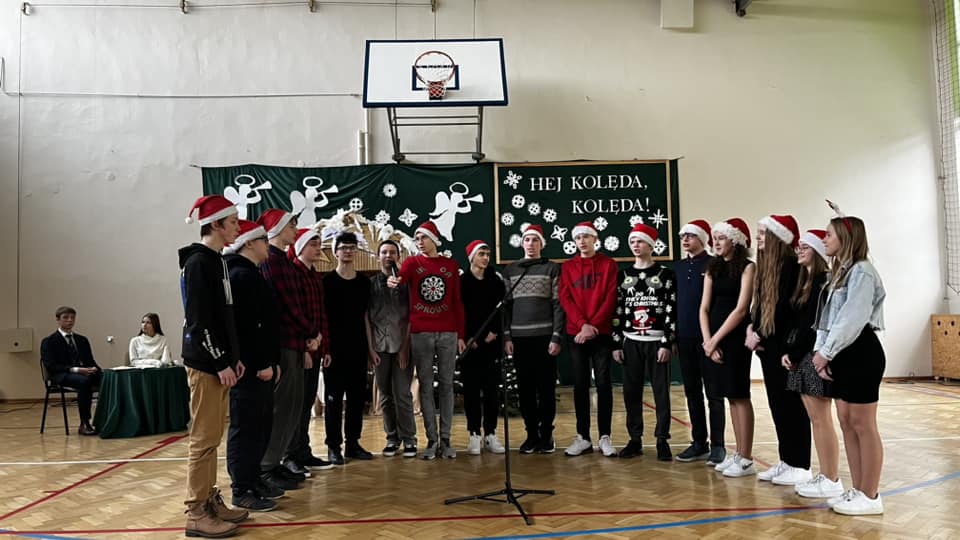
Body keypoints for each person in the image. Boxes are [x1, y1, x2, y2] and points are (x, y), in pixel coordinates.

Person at [179, 194, 248, 538]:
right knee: (203, 439)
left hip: (219, 361)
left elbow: (224, 316)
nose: (237, 228)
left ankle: (209, 499)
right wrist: (220, 360)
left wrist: (234, 357)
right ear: (216, 224)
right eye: (232, 222)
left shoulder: (217, 261)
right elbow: (199, 320)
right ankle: (196, 511)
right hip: (205, 363)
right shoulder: (198, 263)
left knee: (212, 437)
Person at [812, 215, 886, 516]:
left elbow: (852, 317)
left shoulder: (863, 271)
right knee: (845, 420)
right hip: (841, 352)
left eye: (829, 234)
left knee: (863, 423)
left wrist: (826, 352)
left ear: (846, 238)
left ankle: (871, 494)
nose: (824, 239)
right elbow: (828, 318)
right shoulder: (839, 273)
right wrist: (822, 352)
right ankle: (857, 489)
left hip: (861, 351)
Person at [387, 220, 466, 460]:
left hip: (448, 332)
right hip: (421, 332)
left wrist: (461, 334)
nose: (419, 242)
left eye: (424, 238)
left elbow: (457, 301)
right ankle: (432, 439)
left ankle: (446, 438)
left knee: (447, 385)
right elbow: (400, 278)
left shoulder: (450, 265)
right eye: (417, 238)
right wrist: (393, 280)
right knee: (426, 385)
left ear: (435, 240)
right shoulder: (412, 263)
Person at [745, 215, 813, 486]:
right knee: (778, 406)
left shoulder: (790, 267)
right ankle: (787, 459)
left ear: (777, 237)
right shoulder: (767, 268)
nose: (758, 237)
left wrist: (759, 334)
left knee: (792, 407)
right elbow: (761, 307)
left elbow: (784, 310)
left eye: (763, 233)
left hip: (785, 349)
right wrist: (752, 329)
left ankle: (801, 464)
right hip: (768, 348)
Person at [781, 229, 844, 499]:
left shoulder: (821, 281)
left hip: (812, 354)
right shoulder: (804, 281)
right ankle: (825, 475)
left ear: (817, 251)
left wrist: (796, 353)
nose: (799, 250)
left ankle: (831, 478)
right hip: (801, 355)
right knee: (815, 419)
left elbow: (813, 324)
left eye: (805, 247)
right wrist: (790, 351)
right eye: (799, 246)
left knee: (821, 419)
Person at [223, 220, 282, 512]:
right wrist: (260, 364)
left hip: (262, 366)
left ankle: (254, 478)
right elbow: (247, 328)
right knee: (245, 428)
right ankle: (241, 488)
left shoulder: (252, 274)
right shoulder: (240, 275)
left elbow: (266, 323)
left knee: (260, 426)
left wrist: (273, 362)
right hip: (250, 370)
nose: (268, 246)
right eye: (263, 241)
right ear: (248, 243)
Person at [256, 209, 313, 491]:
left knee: (293, 406)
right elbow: (288, 305)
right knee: (281, 407)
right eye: (291, 225)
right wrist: (311, 331)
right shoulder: (272, 262)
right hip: (283, 343)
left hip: (294, 342)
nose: (294, 229)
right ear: (277, 229)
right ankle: (267, 466)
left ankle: (276, 461)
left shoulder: (284, 261)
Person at [612, 224, 676, 461]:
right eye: (632, 241)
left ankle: (662, 439)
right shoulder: (623, 276)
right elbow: (617, 311)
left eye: (640, 241)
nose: (636, 245)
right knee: (631, 392)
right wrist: (617, 343)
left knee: (661, 393)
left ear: (651, 244)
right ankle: (635, 438)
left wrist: (666, 343)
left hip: (656, 341)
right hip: (631, 342)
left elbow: (671, 309)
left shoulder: (665, 275)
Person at [700, 218, 757, 478]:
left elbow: (741, 309)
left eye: (721, 238)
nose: (716, 242)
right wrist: (708, 342)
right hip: (713, 341)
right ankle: (738, 453)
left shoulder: (747, 267)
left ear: (735, 241)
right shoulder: (712, 267)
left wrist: (716, 340)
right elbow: (704, 308)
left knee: (740, 395)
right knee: (729, 397)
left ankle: (746, 458)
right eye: (714, 238)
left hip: (734, 339)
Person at [503, 224, 564, 454]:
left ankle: (546, 434)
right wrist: (507, 336)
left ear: (541, 244)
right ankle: (531, 435)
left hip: (545, 337)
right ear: (522, 243)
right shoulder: (511, 270)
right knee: (525, 389)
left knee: (546, 389)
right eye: (527, 239)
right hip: (520, 338)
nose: (530, 244)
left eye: (535, 240)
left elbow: (558, 305)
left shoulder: (552, 268)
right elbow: (506, 307)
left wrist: (556, 336)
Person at [560, 221, 619, 458]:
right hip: (577, 333)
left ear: (595, 239)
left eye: (586, 237)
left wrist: (592, 326)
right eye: (578, 238)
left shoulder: (608, 264)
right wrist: (582, 325)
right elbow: (565, 298)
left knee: (603, 383)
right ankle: (583, 437)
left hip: (600, 333)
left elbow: (611, 297)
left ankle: (605, 436)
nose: (582, 241)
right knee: (580, 384)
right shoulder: (568, 267)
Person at [673, 220, 726, 465]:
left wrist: (714, 340)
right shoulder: (678, 267)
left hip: (709, 339)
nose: (685, 240)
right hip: (684, 338)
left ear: (703, 238)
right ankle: (698, 443)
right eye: (683, 236)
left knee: (714, 394)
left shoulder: (715, 264)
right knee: (692, 392)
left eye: (691, 235)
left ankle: (718, 445)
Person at [322, 232, 373, 462]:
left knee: (356, 399)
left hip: (358, 348)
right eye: (344, 247)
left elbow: (366, 317)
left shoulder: (364, 283)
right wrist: (325, 349)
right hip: (334, 350)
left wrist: (370, 349)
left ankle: (353, 443)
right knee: (333, 399)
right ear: (336, 252)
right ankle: (333, 446)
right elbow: (322, 319)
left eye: (352, 247)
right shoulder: (326, 282)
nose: (348, 251)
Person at [288, 228, 336, 470]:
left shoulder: (315, 275)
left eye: (319, 244)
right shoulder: (294, 273)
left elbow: (321, 315)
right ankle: (291, 454)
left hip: (316, 347)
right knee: (296, 404)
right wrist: (306, 348)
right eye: (313, 245)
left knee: (306, 402)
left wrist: (325, 347)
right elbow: (294, 313)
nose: (318, 249)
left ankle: (303, 450)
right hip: (302, 348)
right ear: (301, 247)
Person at [367, 239, 417, 458]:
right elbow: (366, 317)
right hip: (379, 346)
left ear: (399, 256)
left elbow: (412, 317)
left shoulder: (406, 284)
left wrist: (405, 347)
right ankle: (392, 438)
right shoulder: (371, 284)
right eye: (384, 252)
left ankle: (410, 439)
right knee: (385, 394)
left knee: (402, 393)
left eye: (392, 252)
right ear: (378, 256)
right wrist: (370, 348)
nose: (388, 256)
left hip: (402, 345)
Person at [459, 240, 507, 455]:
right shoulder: (462, 282)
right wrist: (468, 336)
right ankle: (474, 434)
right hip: (471, 345)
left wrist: (494, 332)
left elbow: (501, 310)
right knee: (471, 391)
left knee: (491, 392)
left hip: (491, 344)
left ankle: (490, 433)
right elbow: (460, 310)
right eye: (482, 254)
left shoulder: (495, 282)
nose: (486, 258)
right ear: (472, 257)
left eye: (488, 254)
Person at [40, 306, 102, 436]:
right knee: (84, 382)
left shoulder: (82, 340)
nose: (70, 320)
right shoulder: (49, 341)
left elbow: (90, 361)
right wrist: (76, 370)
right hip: (61, 374)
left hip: (83, 372)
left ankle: (105, 419)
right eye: (66, 317)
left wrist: (95, 369)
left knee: (109, 378)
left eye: (72, 318)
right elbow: (51, 366)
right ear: (58, 319)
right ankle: (84, 423)